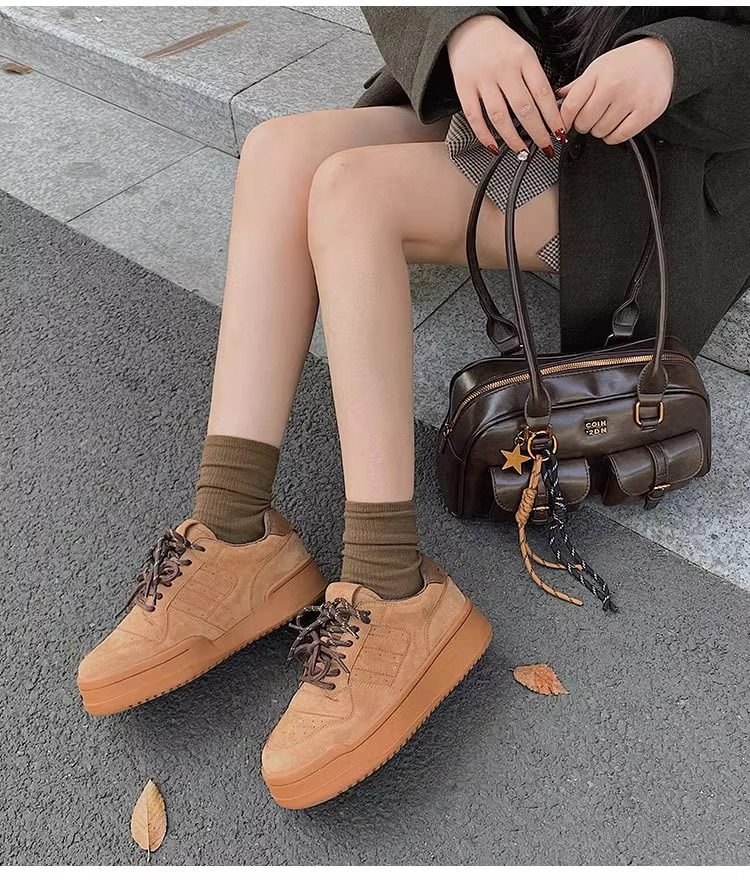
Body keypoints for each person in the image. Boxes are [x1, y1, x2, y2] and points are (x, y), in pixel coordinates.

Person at [77, 7, 750, 809]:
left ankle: (393, 588)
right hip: (512, 102)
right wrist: (464, 28)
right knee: (278, 154)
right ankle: (232, 528)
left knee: (353, 194)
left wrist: (673, 58)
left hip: (662, 153)